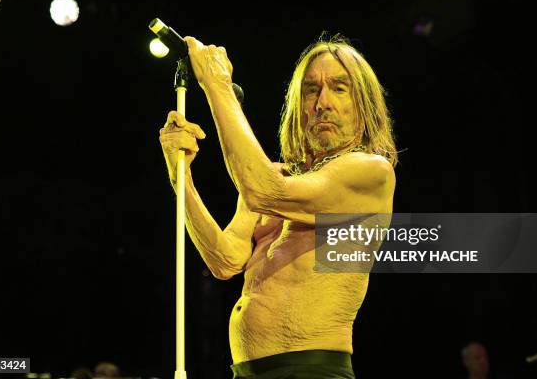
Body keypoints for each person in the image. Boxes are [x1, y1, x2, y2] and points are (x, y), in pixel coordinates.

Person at [159, 34, 397, 378]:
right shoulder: (276, 177)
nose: (322, 102)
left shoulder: (370, 171)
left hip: (309, 369)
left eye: (339, 88)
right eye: (311, 90)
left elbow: (263, 191)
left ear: (364, 106)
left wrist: (216, 85)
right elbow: (225, 260)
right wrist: (180, 176)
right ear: (297, 104)